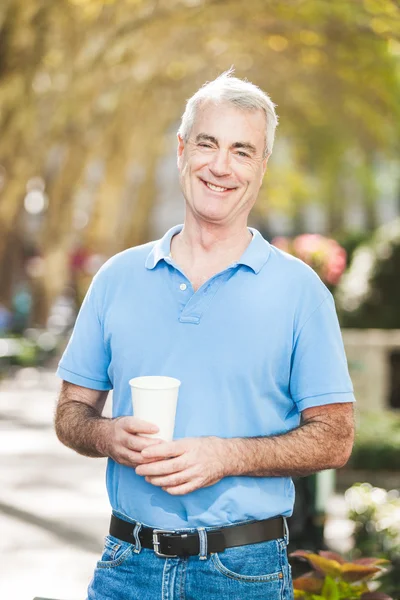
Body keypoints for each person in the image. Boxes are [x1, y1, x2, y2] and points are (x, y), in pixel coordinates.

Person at [55, 71, 355, 600]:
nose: (220, 166)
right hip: (126, 566)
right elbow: (70, 413)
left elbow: (336, 437)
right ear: (181, 149)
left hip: (245, 572)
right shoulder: (117, 278)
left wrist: (225, 455)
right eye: (207, 143)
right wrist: (106, 435)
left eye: (242, 151)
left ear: (261, 167)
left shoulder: (300, 292)